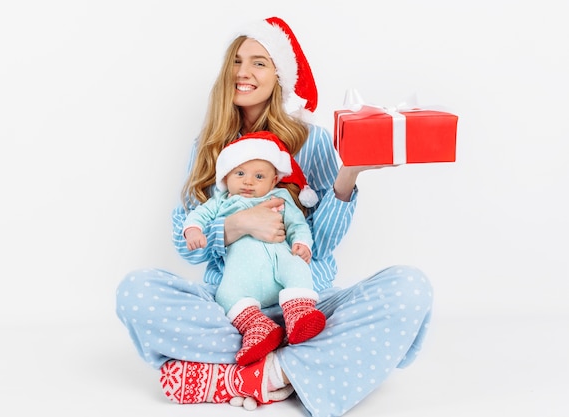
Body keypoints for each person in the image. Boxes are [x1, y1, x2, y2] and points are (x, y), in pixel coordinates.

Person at [116, 16, 433, 416]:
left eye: (259, 62)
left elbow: (324, 242)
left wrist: (347, 175)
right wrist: (235, 226)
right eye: (236, 60)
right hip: (232, 310)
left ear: (280, 75)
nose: (243, 72)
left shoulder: (311, 139)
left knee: (409, 288)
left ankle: (247, 373)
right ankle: (299, 367)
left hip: (306, 307)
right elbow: (186, 244)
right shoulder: (209, 145)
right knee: (137, 291)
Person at [183, 130, 326, 367]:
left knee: (297, 267)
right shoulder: (221, 201)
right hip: (241, 276)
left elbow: (297, 225)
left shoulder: (279, 197)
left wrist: (302, 244)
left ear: (273, 181)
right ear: (226, 177)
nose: (248, 181)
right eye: (240, 173)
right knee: (225, 295)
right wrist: (194, 231)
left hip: (279, 262)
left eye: (259, 176)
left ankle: (299, 312)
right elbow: (198, 215)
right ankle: (257, 326)